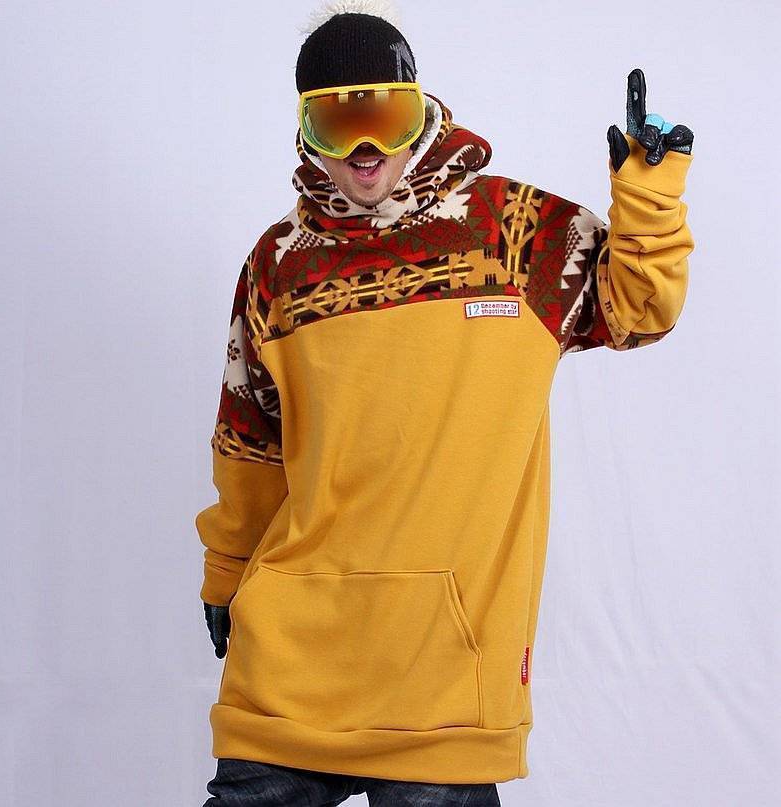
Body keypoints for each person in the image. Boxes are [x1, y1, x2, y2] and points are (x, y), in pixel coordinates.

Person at [197, 3, 695, 805]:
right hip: (290, 661)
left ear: (420, 111)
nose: (364, 150)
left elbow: (639, 309)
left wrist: (647, 201)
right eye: (337, 125)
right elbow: (248, 439)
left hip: (443, 677)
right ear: (306, 132)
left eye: (384, 120)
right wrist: (225, 572)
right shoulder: (279, 263)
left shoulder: (512, 233)